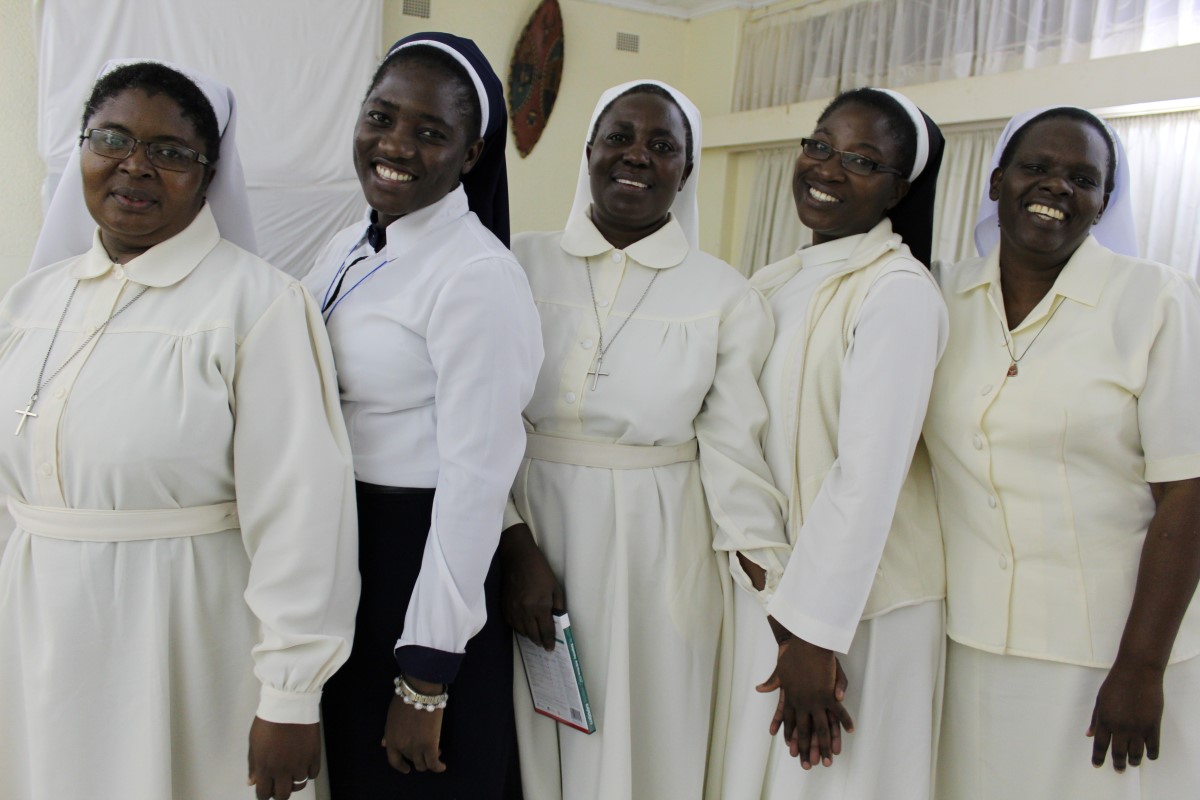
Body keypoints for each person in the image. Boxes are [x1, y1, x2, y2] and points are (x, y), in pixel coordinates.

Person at [0, 60, 358, 800]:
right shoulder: (34, 299)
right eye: (113, 139)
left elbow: (303, 518)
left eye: (169, 151)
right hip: (35, 639)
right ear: (81, 152)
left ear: (208, 173)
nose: (135, 165)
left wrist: (290, 696)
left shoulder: (257, 306)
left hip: (183, 642)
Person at [500, 79, 789, 800]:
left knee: (647, 730)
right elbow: (476, 417)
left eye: (662, 146)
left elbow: (732, 448)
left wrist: (781, 592)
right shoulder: (516, 263)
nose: (637, 156)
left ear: (686, 171)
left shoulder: (725, 295)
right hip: (528, 524)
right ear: (589, 150)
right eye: (620, 137)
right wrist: (509, 538)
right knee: (527, 733)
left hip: (659, 546)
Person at [925, 107, 1200, 799]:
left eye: (1083, 177)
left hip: (1112, 653)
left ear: (1106, 201)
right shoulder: (937, 296)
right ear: (995, 182)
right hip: (973, 647)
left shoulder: (1154, 300)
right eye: (1037, 168)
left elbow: (1188, 491)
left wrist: (1141, 666)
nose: (1056, 187)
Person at [303, 33, 542, 799]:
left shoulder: (475, 276)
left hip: (416, 566)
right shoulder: (352, 242)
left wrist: (427, 674)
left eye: (430, 132)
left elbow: (475, 482)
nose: (394, 144)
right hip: (350, 552)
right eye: (381, 116)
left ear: (471, 154)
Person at [719, 88, 948, 800]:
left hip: (859, 615)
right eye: (820, 146)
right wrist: (765, 572)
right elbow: (734, 436)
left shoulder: (897, 292)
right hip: (773, 593)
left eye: (862, 160)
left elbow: (868, 477)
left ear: (898, 189)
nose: (829, 168)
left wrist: (813, 636)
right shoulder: (770, 283)